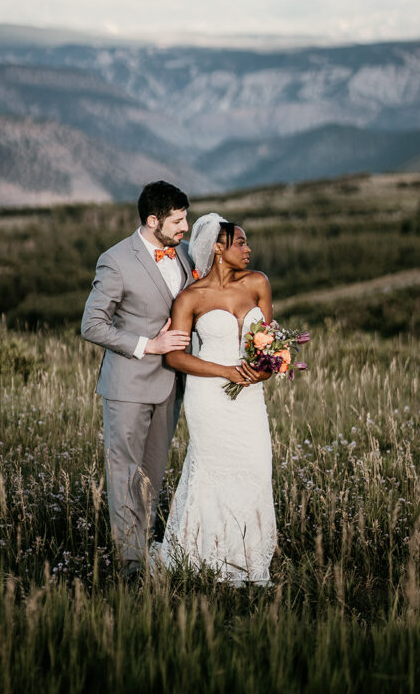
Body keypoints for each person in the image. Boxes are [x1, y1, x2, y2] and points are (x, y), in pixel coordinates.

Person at [154, 212, 277, 586]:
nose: (248, 249)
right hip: (209, 396)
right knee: (210, 472)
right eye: (241, 242)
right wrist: (224, 370)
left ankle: (251, 561)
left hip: (250, 397)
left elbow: (268, 346)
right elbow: (174, 356)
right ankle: (202, 557)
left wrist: (265, 369)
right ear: (218, 248)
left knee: (256, 468)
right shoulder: (190, 298)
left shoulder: (258, 283)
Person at [81, 180, 193, 579]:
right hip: (127, 386)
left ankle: (141, 549)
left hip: (170, 387)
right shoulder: (115, 260)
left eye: (186, 218)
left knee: (151, 476)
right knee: (124, 474)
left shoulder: (183, 254)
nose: (185, 228)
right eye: (178, 221)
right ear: (152, 220)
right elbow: (91, 325)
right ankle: (130, 566)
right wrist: (150, 343)